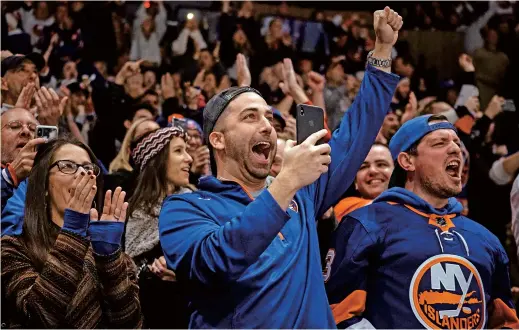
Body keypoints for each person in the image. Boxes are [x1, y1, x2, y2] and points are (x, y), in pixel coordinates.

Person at [158, 7, 401, 328]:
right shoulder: (183, 209)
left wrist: (382, 52)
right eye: (249, 117)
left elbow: (354, 136)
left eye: (268, 118)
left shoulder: (302, 192)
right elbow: (213, 264)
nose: (267, 126)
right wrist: (284, 185)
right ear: (217, 140)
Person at [324, 114, 519, 329]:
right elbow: (340, 314)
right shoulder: (365, 224)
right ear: (407, 161)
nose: (455, 149)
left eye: (457, 142)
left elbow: (506, 322)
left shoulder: (486, 239)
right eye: (439, 143)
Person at [1, 137, 142, 328]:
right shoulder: (13, 249)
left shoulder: (113, 255)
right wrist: (73, 232)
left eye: (87, 167)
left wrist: (110, 260)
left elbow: (131, 324)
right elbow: (39, 315)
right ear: (43, 186)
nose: (82, 173)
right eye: (67, 166)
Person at [125, 125, 193, 328]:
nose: (189, 158)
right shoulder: (134, 213)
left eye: (186, 150)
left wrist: (184, 272)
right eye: (179, 151)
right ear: (158, 161)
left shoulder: (196, 206)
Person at [334, 142, 394, 220]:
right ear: (355, 182)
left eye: (381, 164)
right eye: (363, 167)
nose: (373, 171)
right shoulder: (345, 207)